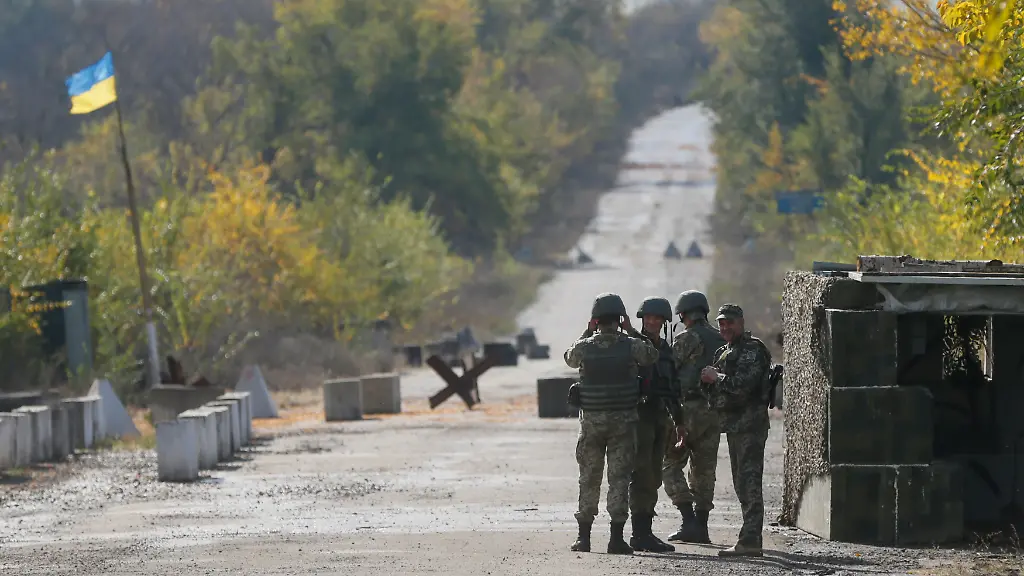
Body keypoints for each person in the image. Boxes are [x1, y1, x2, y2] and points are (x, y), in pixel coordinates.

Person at [563, 292, 658, 555]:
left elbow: (569, 358)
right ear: (619, 319)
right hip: (623, 425)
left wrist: (586, 331)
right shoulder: (631, 345)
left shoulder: (585, 346)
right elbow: (652, 355)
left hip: (592, 425)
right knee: (619, 479)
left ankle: (584, 538)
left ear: (595, 320)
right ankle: (616, 539)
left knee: (589, 478)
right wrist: (632, 330)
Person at [700, 303, 771, 557]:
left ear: (741, 323)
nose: (725, 327)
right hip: (733, 426)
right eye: (721, 323)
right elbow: (713, 389)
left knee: (749, 483)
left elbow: (743, 386)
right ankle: (749, 537)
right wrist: (709, 380)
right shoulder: (724, 351)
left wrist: (716, 378)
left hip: (750, 426)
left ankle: (751, 540)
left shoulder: (752, 350)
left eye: (729, 322)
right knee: (741, 483)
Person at [662, 290, 726, 545]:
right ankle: (701, 526)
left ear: (682, 315)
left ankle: (688, 520)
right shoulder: (721, 338)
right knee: (704, 470)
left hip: (688, 410)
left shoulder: (687, 338)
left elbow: (669, 370)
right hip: (714, 412)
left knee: (670, 464)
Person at [627, 297, 685, 553]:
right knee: (641, 474)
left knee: (653, 477)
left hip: (660, 417)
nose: (652, 322)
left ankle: (645, 532)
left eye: (657, 318)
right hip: (639, 418)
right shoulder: (632, 345)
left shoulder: (666, 350)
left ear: (664, 321)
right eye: (648, 317)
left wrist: (679, 421)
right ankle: (639, 534)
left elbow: (672, 389)